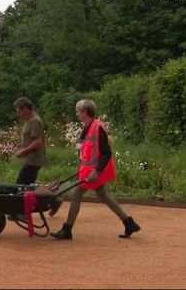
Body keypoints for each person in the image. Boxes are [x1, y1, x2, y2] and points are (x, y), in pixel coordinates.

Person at [51, 99, 141, 240]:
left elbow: (107, 153)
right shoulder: (86, 127)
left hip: (95, 171)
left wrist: (96, 171)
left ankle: (67, 229)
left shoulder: (97, 127)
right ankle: (129, 223)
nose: (76, 114)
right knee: (102, 195)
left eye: (78, 111)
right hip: (88, 170)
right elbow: (82, 151)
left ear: (85, 112)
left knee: (76, 195)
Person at [13, 97, 62, 216]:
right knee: (29, 186)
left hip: (33, 160)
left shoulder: (35, 121)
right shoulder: (29, 120)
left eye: (19, 111)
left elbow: (38, 142)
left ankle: (22, 213)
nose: (18, 114)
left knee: (21, 186)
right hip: (30, 159)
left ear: (26, 109)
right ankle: (54, 201)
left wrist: (23, 151)